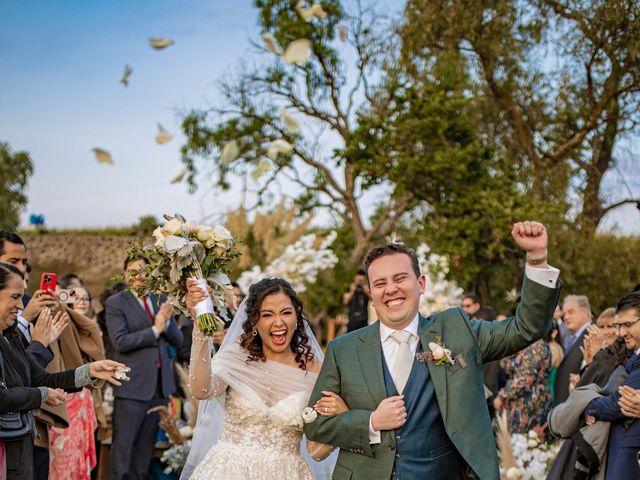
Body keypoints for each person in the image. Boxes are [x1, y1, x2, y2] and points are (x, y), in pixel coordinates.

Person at [305, 221, 561, 480]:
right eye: (380, 283)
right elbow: (315, 425)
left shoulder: (457, 330)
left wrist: (537, 259)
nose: (391, 289)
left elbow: (526, 328)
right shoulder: (343, 350)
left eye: (400, 278)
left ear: (421, 283)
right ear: (371, 292)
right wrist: (370, 422)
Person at [182, 277, 342, 479]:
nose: (278, 322)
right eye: (267, 314)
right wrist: (200, 326)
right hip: (227, 471)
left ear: (297, 317)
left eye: (286, 312)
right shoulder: (235, 358)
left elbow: (316, 451)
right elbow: (200, 390)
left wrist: (342, 417)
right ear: (254, 322)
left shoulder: (317, 373)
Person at [0, 262, 128, 480]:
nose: (21, 306)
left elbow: (40, 378)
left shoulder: (10, 336)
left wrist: (90, 371)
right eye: (14, 297)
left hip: (18, 448)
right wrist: (41, 395)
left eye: (22, 297)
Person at [106, 257, 183, 480]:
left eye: (144, 271)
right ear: (124, 274)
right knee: (123, 453)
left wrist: (167, 322)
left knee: (144, 455)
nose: (139, 276)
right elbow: (120, 341)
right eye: (133, 271)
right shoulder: (116, 303)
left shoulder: (160, 299)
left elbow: (177, 341)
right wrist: (155, 330)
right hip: (132, 387)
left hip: (158, 388)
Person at [583, 291, 640, 480]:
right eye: (619, 325)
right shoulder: (634, 357)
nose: (622, 333)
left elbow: (618, 403)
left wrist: (590, 407)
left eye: (628, 325)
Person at [494, 338, 552, 433]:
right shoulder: (525, 342)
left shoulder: (537, 346)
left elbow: (525, 379)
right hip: (518, 401)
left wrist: (502, 396)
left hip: (528, 403)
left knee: (520, 442)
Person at [554, 295, 593, 404]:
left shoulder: (592, 335)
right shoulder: (571, 337)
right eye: (564, 314)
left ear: (585, 313)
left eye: (571, 312)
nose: (566, 317)